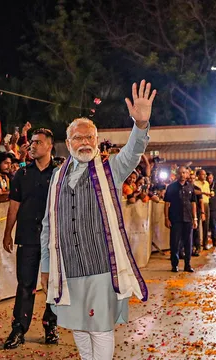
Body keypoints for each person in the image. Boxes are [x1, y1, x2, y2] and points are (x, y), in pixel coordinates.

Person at [41, 80, 156, 359]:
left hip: (102, 264)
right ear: (68, 144)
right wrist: (46, 266)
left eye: (89, 137)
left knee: (101, 327)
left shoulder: (110, 170)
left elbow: (132, 154)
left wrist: (140, 125)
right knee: (78, 326)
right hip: (68, 266)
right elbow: (47, 225)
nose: (84, 142)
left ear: (96, 140)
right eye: (78, 138)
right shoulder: (57, 178)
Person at [2, 128, 58, 349]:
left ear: (49, 146)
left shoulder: (60, 172)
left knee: (52, 285)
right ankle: (18, 329)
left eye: (38, 142)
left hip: (53, 240)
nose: (33, 146)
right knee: (25, 285)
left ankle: (50, 325)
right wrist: (8, 232)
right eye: (32, 142)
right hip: (26, 237)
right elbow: (13, 205)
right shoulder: (22, 174)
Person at [164, 165, 197, 273]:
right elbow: (167, 204)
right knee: (175, 242)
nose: (182, 175)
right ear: (177, 174)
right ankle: (175, 265)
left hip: (188, 219)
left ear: (187, 174)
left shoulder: (191, 187)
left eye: (184, 173)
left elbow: (193, 203)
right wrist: (166, 218)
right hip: (175, 219)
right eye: (180, 173)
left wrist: (195, 218)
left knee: (188, 243)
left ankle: (187, 264)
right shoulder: (171, 187)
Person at [193, 169, 211, 250]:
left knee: (206, 224)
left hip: (206, 204)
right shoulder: (195, 183)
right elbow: (195, 192)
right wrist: (203, 193)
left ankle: (205, 243)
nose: (205, 176)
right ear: (198, 175)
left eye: (205, 174)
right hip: (198, 204)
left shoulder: (207, 183)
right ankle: (197, 244)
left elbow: (208, 194)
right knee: (197, 224)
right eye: (203, 174)